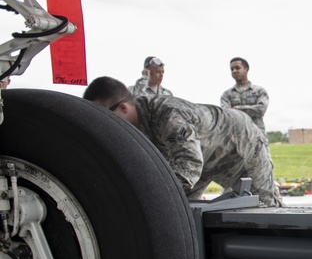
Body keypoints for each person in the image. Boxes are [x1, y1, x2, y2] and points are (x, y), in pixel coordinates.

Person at [83, 76, 282, 207]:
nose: (103, 126)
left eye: (104, 117)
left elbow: (188, 165)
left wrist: (148, 197)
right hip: (203, 159)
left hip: (240, 147)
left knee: (264, 208)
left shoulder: (167, 113)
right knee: (181, 213)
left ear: (123, 108)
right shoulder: (132, 129)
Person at [220, 57, 269, 134]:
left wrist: (236, 109)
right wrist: (250, 109)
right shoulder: (226, 95)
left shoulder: (260, 91)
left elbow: (261, 109)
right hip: (235, 136)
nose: (234, 71)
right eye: (232, 69)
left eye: (237, 68)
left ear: (246, 69)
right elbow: (226, 115)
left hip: (257, 134)